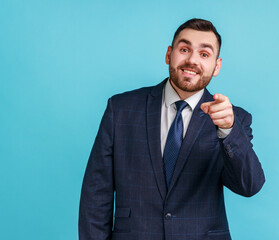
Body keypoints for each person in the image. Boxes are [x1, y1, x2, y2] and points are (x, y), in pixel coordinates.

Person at [79, 18, 265, 240]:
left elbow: (249, 186)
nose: (192, 60)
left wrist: (228, 130)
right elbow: (95, 196)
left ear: (216, 66)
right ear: (169, 54)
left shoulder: (234, 119)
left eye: (204, 54)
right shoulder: (120, 110)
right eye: (184, 49)